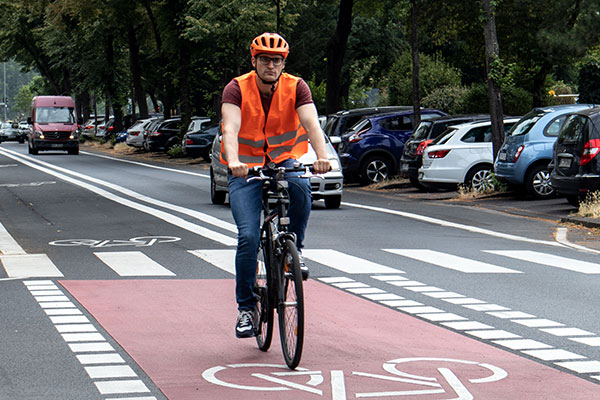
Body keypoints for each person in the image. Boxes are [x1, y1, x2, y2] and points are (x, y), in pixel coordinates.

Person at [220, 32, 331, 338]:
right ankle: (245, 308)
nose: (271, 65)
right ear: (254, 61)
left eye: (277, 60)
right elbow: (230, 128)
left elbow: (311, 124)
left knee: (301, 187)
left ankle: (294, 248)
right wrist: (234, 162)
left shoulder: (297, 86)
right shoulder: (236, 88)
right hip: (245, 166)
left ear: (284, 63)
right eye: (265, 59)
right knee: (247, 237)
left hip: (284, 159)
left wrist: (322, 156)